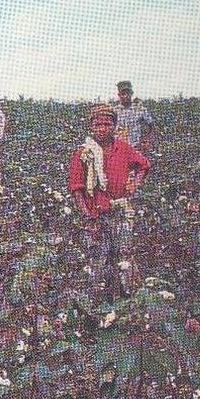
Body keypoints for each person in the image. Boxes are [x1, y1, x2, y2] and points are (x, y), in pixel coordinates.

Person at [68, 104, 151, 302]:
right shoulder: (84, 153)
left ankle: (127, 300)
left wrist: (134, 183)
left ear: (114, 126)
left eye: (107, 124)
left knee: (123, 253)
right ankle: (98, 303)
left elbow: (144, 165)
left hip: (120, 210)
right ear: (91, 127)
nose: (102, 129)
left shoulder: (122, 148)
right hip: (96, 214)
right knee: (98, 258)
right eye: (98, 125)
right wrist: (88, 216)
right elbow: (77, 188)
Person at [112, 80, 154, 150]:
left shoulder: (140, 109)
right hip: (118, 147)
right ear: (119, 95)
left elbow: (152, 126)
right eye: (123, 94)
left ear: (132, 93)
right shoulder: (114, 111)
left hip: (136, 147)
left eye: (128, 93)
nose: (125, 96)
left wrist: (147, 140)